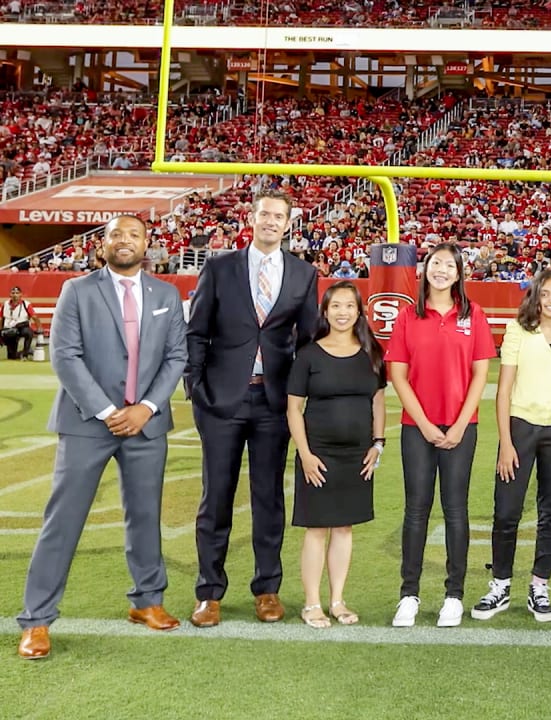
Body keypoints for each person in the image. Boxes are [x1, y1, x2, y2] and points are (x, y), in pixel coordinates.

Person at [17, 215, 188, 660]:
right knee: (64, 519)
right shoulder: (78, 290)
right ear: (104, 243)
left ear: (146, 242)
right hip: (87, 422)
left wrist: (145, 408)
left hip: (146, 424)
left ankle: (147, 601)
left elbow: (176, 357)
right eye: (116, 234)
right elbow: (65, 355)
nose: (124, 241)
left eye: (133, 234)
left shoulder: (166, 294)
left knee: (145, 516)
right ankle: (36, 619)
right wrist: (111, 412)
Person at [186, 189, 319, 628]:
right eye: (264, 214)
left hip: (273, 402)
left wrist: (298, 400)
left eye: (279, 216)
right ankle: (209, 592)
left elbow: (306, 343)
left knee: (269, 498)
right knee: (216, 497)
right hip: (222, 400)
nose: (270, 221)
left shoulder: (303, 273)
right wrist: (197, 388)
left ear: (288, 222)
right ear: (252, 217)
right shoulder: (220, 266)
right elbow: (197, 331)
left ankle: (267, 588)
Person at [387, 243, 496, 628]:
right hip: (418, 429)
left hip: (462, 428)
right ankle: (409, 595)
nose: (442, 270)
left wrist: (461, 424)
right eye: (436, 263)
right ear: (425, 270)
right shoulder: (407, 316)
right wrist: (429, 425)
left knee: (455, 511)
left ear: (459, 273)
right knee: (416, 510)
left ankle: (454, 595)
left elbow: (480, 374)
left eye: (450, 265)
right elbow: (398, 375)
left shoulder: (474, 314)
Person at [471, 270, 551, 624]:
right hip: (521, 428)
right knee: (506, 510)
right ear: (536, 297)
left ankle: (540, 585)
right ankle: (501, 584)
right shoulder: (517, 331)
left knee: (550, 513)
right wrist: (506, 442)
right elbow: (504, 390)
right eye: (546, 293)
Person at [285, 281, 387, 629]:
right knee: (316, 529)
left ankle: (337, 600)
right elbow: (294, 409)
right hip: (319, 456)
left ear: (360, 312)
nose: (343, 312)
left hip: (357, 456)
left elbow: (377, 401)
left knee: (343, 528)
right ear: (325, 312)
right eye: (336, 306)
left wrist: (378, 444)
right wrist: (306, 454)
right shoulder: (309, 354)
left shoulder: (371, 351)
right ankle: (312, 603)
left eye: (349, 306)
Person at [3, 286, 40, 360]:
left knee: (28, 332)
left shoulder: (26, 304)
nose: (15, 295)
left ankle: (25, 352)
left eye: (17, 293)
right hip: (10, 330)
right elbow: (2, 318)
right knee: (11, 357)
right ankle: (24, 352)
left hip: (22, 327)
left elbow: (35, 317)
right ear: (10, 294)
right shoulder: (5, 304)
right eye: (13, 293)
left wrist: (39, 328)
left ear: (21, 294)